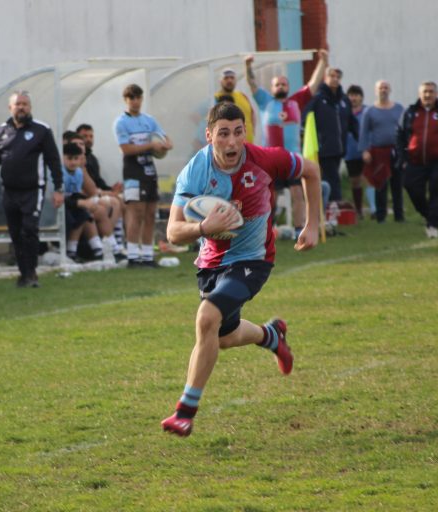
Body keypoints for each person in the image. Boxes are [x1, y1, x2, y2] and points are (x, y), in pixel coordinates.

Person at [160, 102, 321, 437]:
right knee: (225, 337)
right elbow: (173, 232)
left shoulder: (264, 159)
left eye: (238, 132)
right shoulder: (196, 170)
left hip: (253, 260)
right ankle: (271, 335)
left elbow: (311, 170)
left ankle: (184, 412)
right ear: (209, 136)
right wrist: (205, 226)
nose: (232, 142)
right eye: (223, 134)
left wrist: (313, 224)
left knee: (207, 318)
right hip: (211, 264)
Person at [0, 91, 63, 288]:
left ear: (30, 107)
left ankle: (32, 272)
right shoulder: (2, 131)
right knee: (15, 233)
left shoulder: (41, 130)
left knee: (30, 229)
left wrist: (58, 188)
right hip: (9, 191)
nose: (21, 107)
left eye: (25, 104)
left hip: (34, 190)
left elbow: (53, 160)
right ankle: (23, 273)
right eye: (18, 104)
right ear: (10, 108)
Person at [245, 49, 328, 235]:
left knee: (297, 194)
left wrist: (323, 62)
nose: (280, 87)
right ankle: (266, 232)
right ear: (272, 88)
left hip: (292, 158)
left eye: (283, 84)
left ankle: (299, 230)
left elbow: (313, 84)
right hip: (270, 159)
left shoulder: (296, 101)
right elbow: (252, 83)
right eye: (277, 84)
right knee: (269, 197)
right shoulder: (265, 101)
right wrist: (248, 66)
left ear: (288, 87)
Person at [114, 84, 173, 267]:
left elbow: (165, 140)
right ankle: (133, 256)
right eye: (132, 98)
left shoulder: (149, 121)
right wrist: (150, 146)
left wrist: (164, 146)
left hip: (149, 171)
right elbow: (125, 149)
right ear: (126, 100)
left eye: (138, 97)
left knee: (150, 213)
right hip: (132, 171)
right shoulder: (121, 122)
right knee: (135, 213)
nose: (135, 101)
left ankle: (147, 256)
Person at [396, 81, 438, 239]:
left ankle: (433, 225)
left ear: (436, 94)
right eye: (425, 92)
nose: (428, 95)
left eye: (431, 92)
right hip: (414, 161)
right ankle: (429, 214)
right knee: (411, 188)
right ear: (419, 94)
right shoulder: (410, 112)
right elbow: (399, 135)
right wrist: (403, 158)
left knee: (437, 190)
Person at [63, 130, 125, 262]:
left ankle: (111, 247)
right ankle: (93, 248)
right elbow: (87, 192)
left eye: (82, 144)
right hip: (66, 205)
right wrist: (87, 201)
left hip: (78, 201)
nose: (81, 146)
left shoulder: (85, 165)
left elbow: (91, 187)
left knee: (109, 204)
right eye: (77, 143)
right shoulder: (62, 171)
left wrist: (83, 168)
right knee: (94, 209)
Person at [304, 66, 359, 201]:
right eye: (332, 76)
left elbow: (351, 121)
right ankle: (334, 205)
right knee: (332, 178)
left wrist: (361, 139)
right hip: (323, 148)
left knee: (330, 178)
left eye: (338, 77)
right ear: (325, 78)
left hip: (339, 148)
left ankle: (328, 206)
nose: (335, 79)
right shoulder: (317, 99)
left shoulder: (344, 100)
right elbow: (306, 119)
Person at [358, 80, 405, 223]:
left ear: (389, 90)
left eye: (385, 88)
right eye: (380, 88)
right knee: (380, 184)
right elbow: (364, 132)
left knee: (397, 183)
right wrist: (364, 150)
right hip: (378, 152)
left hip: (396, 151)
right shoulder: (370, 111)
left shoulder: (398, 109)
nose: (383, 90)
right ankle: (380, 216)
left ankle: (399, 216)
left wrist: (406, 149)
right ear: (376, 91)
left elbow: (405, 130)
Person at [76, 123, 126, 247]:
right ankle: (112, 242)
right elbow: (88, 187)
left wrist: (111, 189)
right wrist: (107, 193)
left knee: (121, 199)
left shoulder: (92, 158)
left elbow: (98, 180)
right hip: (84, 197)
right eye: (84, 137)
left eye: (90, 136)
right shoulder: (74, 160)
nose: (88, 139)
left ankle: (120, 240)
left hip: (95, 192)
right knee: (113, 202)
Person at [214, 68, 256, 143]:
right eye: (226, 78)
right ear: (220, 81)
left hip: (249, 142)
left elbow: (252, 113)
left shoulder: (242, 95)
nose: (229, 80)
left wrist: (252, 131)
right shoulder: (215, 98)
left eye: (232, 78)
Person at [344, 85, 367, 218]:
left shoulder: (367, 111)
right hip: (350, 152)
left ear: (361, 97)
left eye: (356, 95)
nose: (353, 98)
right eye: (351, 95)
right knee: (355, 181)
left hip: (366, 151)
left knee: (369, 180)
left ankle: (375, 209)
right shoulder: (344, 112)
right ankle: (359, 210)